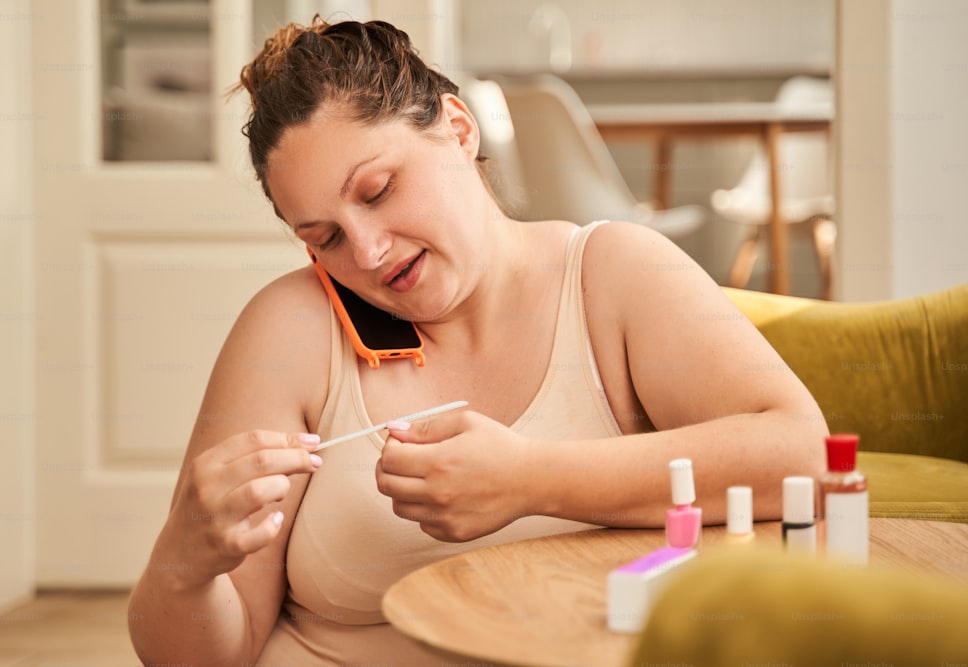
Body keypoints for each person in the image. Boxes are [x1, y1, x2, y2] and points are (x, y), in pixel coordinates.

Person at [127, 16, 827, 666]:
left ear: (458, 129)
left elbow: (803, 455)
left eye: (377, 191)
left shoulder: (612, 277)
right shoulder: (290, 329)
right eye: (326, 237)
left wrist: (530, 479)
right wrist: (184, 561)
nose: (366, 253)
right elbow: (202, 654)